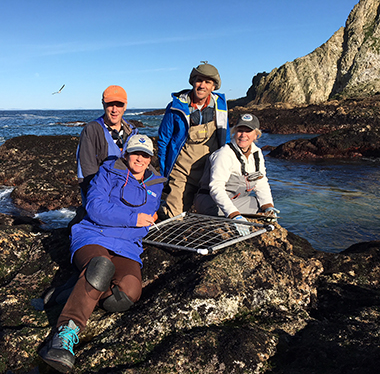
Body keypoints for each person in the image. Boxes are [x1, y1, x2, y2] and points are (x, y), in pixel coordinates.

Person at [39, 135, 166, 373]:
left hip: (128, 247)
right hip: (94, 235)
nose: (139, 159)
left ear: (150, 159)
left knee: (125, 296)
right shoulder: (107, 172)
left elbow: (147, 217)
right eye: (135, 153)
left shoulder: (156, 184)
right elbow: (96, 209)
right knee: (100, 268)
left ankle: (71, 290)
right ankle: (64, 337)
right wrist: (132, 218)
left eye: (145, 155)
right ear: (126, 153)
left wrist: (124, 216)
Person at [157, 62, 230, 220]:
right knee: (173, 217)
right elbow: (163, 141)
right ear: (192, 81)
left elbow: (226, 139)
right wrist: (164, 174)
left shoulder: (221, 106)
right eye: (199, 80)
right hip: (181, 171)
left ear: (213, 86)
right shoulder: (175, 107)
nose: (202, 85)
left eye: (207, 82)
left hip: (209, 171)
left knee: (212, 216)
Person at [193, 113, 279, 234]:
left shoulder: (257, 153)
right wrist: (234, 215)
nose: (243, 135)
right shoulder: (224, 154)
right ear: (234, 131)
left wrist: (269, 206)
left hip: (235, 200)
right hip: (210, 203)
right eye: (240, 130)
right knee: (257, 209)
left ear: (256, 135)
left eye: (248, 131)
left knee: (261, 205)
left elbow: (261, 182)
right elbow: (215, 188)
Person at [76, 85, 138, 203]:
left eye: (119, 104)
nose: (114, 110)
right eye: (110, 104)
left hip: (126, 196)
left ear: (125, 106)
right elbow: (86, 170)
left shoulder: (132, 131)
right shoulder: (91, 130)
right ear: (103, 104)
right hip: (100, 197)